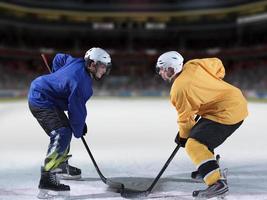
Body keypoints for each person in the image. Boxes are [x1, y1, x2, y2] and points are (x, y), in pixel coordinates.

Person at [155, 51, 248, 199]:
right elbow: (218, 64)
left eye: (163, 69)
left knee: (194, 144)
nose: (160, 72)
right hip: (233, 100)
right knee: (199, 134)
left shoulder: (179, 89)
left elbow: (185, 119)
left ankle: (217, 183)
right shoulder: (193, 65)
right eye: (159, 69)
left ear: (172, 69)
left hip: (226, 112)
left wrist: (183, 137)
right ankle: (208, 167)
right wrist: (210, 87)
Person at [28, 47, 112, 198]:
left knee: (66, 128)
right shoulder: (82, 84)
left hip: (45, 94)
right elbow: (76, 110)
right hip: (40, 99)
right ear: (92, 64)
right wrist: (79, 128)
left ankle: (60, 165)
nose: (104, 70)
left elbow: (59, 58)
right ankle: (47, 177)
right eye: (103, 66)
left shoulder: (77, 62)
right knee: (62, 132)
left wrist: (57, 76)